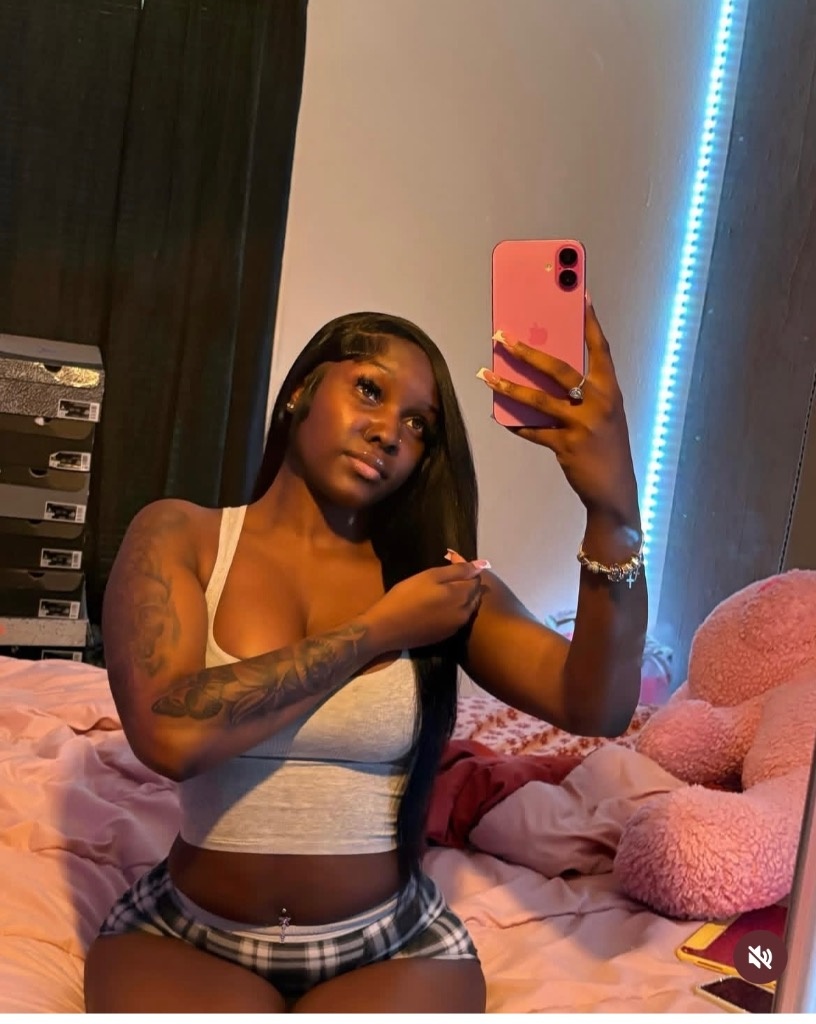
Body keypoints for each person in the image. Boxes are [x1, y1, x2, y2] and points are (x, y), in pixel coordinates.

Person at [83, 305, 646, 1013]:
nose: (390, 432)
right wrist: (377, 630)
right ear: (301, 390)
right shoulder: (183, 536)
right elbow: (169, 734)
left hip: (391, 947)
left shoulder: (435, 584)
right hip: (187, 937)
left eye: (419, 425)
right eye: (370, 390)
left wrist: (614, 514)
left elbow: (598, 705)